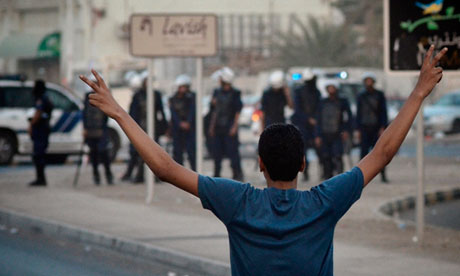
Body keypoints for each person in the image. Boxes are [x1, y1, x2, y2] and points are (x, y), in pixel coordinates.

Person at [80, 45, 446, 275]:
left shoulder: (237, 201)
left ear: (259, 163)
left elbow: (165, 168)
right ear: (303, 163)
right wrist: (418, 92)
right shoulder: (326, 202)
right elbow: (381, 154)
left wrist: (120, 114)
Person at [121, 77, 167, 183]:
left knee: (155, 153)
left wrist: (164, 127)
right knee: (140, 153)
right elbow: (133, 112)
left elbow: (160, 111)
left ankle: (157, 176)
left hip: (153, 127)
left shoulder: (156, 95)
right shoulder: (138, 95)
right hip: (141, 127)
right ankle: (139, 175)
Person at [208, 67, 244, 181]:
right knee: (217, 153)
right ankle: (216, 175)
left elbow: (237, 111)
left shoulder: (235, 93)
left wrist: (234, 126)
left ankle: (237, 174)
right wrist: (212, 126)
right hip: (218, 127)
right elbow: (214, 111)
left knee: (233, 153)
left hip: (229, 126)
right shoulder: (216, 92)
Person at [315, 80, 352, 180]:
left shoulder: (342, 102)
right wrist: (317, 135)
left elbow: (348, 117)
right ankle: (328, 176)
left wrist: (346, 130)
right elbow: (318, 119)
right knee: (326, 157)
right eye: (329, 87)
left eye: (333, 87)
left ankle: (340, 177)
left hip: (337, 133)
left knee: (337, 156)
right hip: (324, 133)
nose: (331, 90)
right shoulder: (322, 102)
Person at [357, 72, 389, 183]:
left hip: (376, 128)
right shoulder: (361, 96)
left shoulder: (379, 95)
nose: (368, 83)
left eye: (370, 80)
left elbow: (383, 112)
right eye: (367, 81)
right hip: (364, 127)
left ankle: (383, 175)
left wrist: (383, 127)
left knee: (380, 152)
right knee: (363, 153)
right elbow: (358, 114)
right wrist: (358, 129)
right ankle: (361, 177)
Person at [291, 68, 322, 181]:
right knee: (303, 151)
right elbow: (297, 110)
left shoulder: (316, 92)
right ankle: (306, 173)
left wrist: (316, 120)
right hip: (303, 125)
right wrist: (308, 119)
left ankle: (323, 171)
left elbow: (319, 108)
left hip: (315, 125)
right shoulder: (299, 92)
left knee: (320, 149)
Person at [83, 75, 113, 185]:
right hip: (91, 130)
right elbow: (85, 113)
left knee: (103, 152)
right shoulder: (87, 96)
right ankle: (96, 176)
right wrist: (85, 128)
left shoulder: (104, 96)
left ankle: (108, 175)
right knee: (94, 154)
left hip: (102, 130)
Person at [28, 80, 53, 186]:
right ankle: (40, 178)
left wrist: (31, 125)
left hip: (40, 129)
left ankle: (41, 179)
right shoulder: (45, 96)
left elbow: (38, 113)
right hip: (43, 129)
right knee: (39, 154)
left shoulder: (41, 97)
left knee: (38, 155)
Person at [169, 74, 196, 170]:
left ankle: (194, 172)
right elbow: (173, 114)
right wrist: (180, 123)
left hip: (190, 129)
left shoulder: (191, 97)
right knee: (178, 153)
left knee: (192, 152)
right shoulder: (173, 99)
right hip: (178, 129)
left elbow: (192, 111)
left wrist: (188, 122)